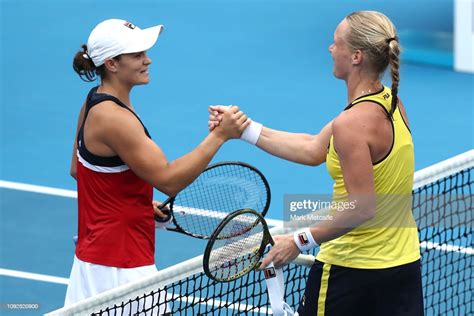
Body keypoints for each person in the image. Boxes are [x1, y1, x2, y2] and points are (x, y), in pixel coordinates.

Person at [209, 11, 423, 316]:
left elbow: (362, 207)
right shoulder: (391, 102)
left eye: (336, 44)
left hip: (352, 271)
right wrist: (244, 129)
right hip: (403, 266)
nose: (330, 49)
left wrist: (299, 240)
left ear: (356, 57)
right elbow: (312, 148)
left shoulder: (352, 123)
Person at [67, 19, 249, 307]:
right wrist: (220, 136)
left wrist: (133, 205)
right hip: (120, 268)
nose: (147, 60)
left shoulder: (94, 101)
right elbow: (169, 180)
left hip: (96, 261)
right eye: (137, 55)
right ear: (112, 64)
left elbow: (79, 169)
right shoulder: (114, 118)